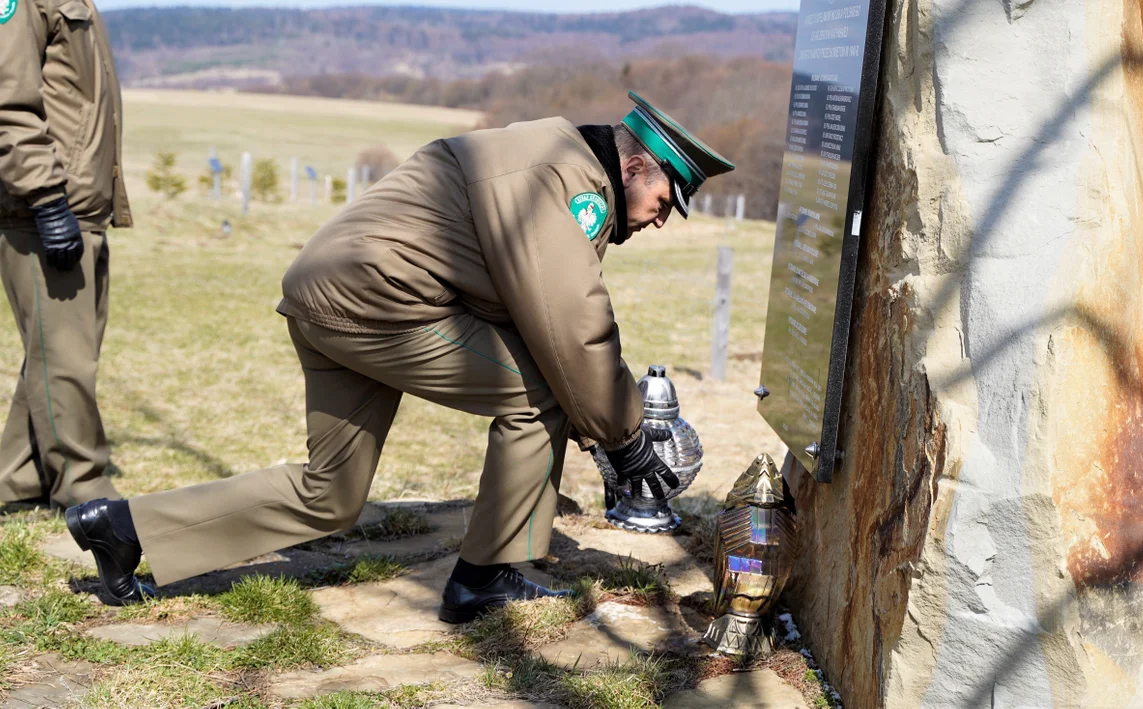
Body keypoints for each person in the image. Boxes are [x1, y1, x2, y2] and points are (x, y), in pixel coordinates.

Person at [65, 92, 734, 616]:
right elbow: (573, 327)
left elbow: (533, 307)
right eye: (664, 200)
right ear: (634, 166)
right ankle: (485, 578)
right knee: (542, 391)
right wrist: (624, 439)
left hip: (329, 293)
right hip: (380, 304)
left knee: (330, 494)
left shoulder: (546, 150)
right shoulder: (570, 183)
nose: (659, 218)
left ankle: (126, 528)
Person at [0, 0, 131, 510]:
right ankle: (85, 488)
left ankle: (17, 477)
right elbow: (9, 106)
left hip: (78, 207)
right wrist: (47, 199)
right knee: (65, 360)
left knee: (57, 354)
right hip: (46, 208)